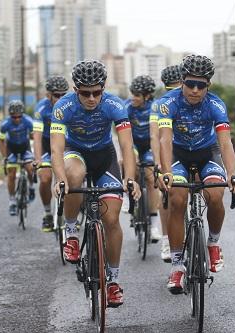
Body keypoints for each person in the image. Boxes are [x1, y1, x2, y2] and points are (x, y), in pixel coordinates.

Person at [50, 59, 141, 308]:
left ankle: (112, 281)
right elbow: (56, 149)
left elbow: (125, 146)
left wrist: (130, 178)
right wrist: (60, 180)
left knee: (111, 219)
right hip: (75, 152)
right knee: (74, 175)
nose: (91, 98)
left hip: (104, 158)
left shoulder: (114, 105)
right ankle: (70, 232)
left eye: (97, 92)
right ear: (75, 90)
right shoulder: (62, 107)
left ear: (103, 88)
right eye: (85, 93)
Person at [157, 55, 235, 294]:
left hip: (208, 153)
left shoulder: (215, 105)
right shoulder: (168, 103)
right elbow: (164, 139)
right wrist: (165, 172)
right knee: (176, 198)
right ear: (182, 81)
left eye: (201, 85)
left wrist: (232, 173)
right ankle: (177, 266)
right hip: (179, 154)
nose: (195, 90)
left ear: (208, 86)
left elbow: (225, 143)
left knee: (215, 195)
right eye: (190, 84)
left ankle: (213, 243)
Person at [150, 65, 182, 262]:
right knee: (167, 194)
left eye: (178, 87)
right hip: (169, 149)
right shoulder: (159, 105)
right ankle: (166, 239)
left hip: (191, 150)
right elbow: (155, 135)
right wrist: (158, 162)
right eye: (171, 88)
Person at [125, 75, 162, 242]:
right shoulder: (127, 107)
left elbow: (159, 135)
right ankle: (128, 197)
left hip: (149, 146)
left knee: (149, 176)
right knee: (125, 162)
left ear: (147, 96)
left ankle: (154, 224)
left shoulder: (155, 108)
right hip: (133, 144)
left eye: (137, 95)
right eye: (132, 93)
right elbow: (122, 135)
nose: (133, 97)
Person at [33, 76, 69, 232]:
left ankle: (76, 208)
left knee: (76, 176)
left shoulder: (71, 105)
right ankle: (48, 213)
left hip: (67, 146)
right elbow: (37, 135)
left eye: (63, 95)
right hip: (48, 147)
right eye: (56, 95)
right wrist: (38, 159)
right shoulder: (41, 109)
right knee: (45, 177)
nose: (60, 98)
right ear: (48, 95)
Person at [0, 100, 35, 216]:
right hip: (11, 149)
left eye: (19, 116)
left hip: (25, 148)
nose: (17, 119)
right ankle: (12, 201)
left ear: (22, 114)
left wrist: (35, 153)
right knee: (12, 174)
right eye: (14, 117)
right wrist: (5, 157)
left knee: (30, 168)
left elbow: (35, 137)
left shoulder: (28, 121)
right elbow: (1, 141)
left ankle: (31, 187)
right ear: (10, 116)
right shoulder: (5, 124)